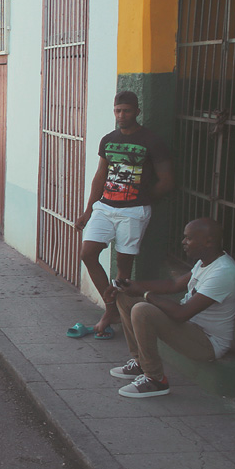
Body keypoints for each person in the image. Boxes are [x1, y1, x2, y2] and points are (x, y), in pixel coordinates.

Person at [72, 91, 174, 340]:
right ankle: (111, 310)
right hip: (105, 207)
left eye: (126, 111)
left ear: (137, 111)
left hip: (133, 211)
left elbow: (166, 181)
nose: (121, 115)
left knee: (123, 269)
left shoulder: (152, 141)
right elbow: (100, 176)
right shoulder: (108, 140)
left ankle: (115, 313)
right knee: (87, 253)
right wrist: (88, 210)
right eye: (118, 111)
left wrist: (142, 198)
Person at [106, 218, 235, 398]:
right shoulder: (205, 262)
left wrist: (145, 293)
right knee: (125, 297)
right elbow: (174, 284)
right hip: (190, 328)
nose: (183, 242)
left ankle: (155, 380)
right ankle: (141, 362)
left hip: (207, 343)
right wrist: (133, 285)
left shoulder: (223, 272)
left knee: (142, 310)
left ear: (208, 241)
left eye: (189, 238)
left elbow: (181, 314)